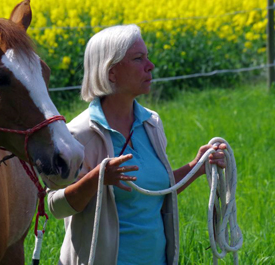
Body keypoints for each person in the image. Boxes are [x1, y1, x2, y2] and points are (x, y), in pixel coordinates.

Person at [47, 24, 226, 265]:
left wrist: (197, 166)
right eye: (138, 58)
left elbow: (154, 190)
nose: (150, 65)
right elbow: (56, 207)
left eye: (147, 57)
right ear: (111, 72)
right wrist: (97, 179)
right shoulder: (79, 134)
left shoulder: (151, 123)